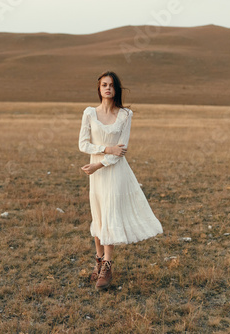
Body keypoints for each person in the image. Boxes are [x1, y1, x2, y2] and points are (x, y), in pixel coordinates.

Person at [78, 71, 163, 290]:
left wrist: (99, 163)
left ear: (116, 90)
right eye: (104, 85)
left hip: (114, 172)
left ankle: (107, 267)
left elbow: (121, 151)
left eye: (112, 85)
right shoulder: (89, 113)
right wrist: (106, 149)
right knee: (98, 215)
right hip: (96, 176)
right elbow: (83, 144)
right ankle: (98, 262)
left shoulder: (125, 115)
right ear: (99, 88)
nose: (107, 88)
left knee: (109, 214)